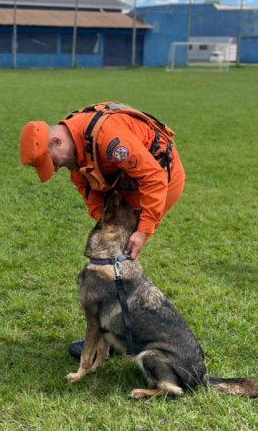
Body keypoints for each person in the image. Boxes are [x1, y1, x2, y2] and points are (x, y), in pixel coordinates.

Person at [19, 103, 186, 359]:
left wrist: (142, 230)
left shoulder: (108, 137)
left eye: (53, 162)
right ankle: (113, 333)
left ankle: (124, 335)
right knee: (115, 253)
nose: (57, 168)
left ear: (56, 141)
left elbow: (152, 177)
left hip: (162, 179)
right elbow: (90, 194)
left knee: (124, 256)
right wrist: (107, 225)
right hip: (129, 183)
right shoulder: (75, 150)